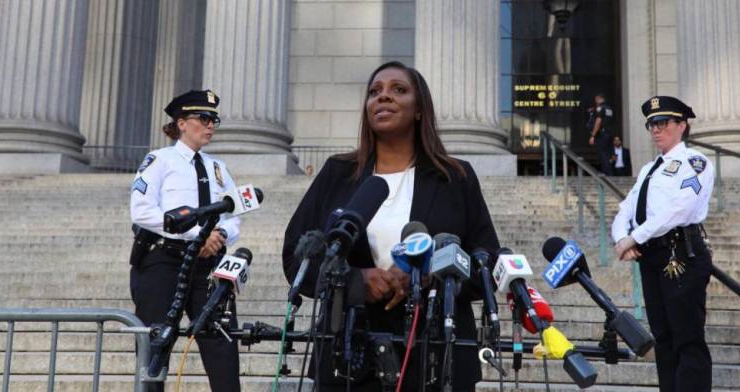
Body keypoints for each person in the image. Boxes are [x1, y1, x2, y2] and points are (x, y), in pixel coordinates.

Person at [282, 61, 499, 391]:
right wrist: (356, 281)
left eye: (398, 90)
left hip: (435, 349)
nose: (383, 97)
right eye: (374, 92)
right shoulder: (338, 172)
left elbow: (488, 261)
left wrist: (429, 276)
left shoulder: (455, 177)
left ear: (419, 110)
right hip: (348, 347)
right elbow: (296, 256)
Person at [130, 90, 242, 392]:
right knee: (155, 348)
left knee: (222, 345)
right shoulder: (160, 160)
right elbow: (142, 211)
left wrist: (219, 237)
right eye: (204, 118)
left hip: (208, 265)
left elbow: (235, 216)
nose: (211, 125)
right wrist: (196, 234)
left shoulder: (218, 168)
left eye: (214, 119)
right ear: (181, 123)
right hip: (164, 261)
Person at [611, 96, 714, 392]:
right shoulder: (648, 169)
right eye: (651, 124)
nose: (655, 130)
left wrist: (635, 236)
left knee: (687, 337)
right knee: (663, 338)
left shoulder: (695, 163)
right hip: (652, 256)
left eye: (662, 123)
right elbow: (625, 210)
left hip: (681, 251)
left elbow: (678, 210)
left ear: (682, 125)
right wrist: (621, 238)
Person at [587, 93, 615, 175]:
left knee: (603, 155)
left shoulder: (599, 108)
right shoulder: (609, 109)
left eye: (596, 100)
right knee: (608, 155)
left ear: (598, 99)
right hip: (609, 134)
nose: (595, 102)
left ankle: (607, 175)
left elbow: (598, 121)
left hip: (601, 135)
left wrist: (593, 135)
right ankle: (610, 173)